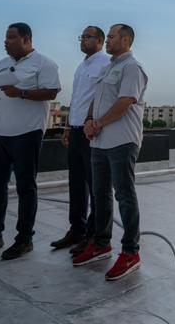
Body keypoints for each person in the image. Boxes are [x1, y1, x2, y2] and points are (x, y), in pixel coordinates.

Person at [0, 22, 61, 260]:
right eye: (5, 37)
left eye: (11, 37)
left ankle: (24, 239)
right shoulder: (2, 64)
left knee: (25, 187)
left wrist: (21, 92)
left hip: (27, 132)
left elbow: (51, 92)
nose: (6, 42)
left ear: (26, 40)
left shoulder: (44, 64)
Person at [71, 24, 148, 281]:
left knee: (124, 196)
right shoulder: (108, 68)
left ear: (125, 41)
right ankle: (101, 244)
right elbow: (96, 98)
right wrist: (89, 120)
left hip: (122, 140)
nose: (108, 41)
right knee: (100, 194)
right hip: (99, 142)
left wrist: (99, 123)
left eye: (112, 37)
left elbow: (125, 101)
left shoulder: (132, 68)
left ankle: (130, 253)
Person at [50, 26, 111, 252]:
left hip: (91, 132)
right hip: (76, 130)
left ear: (100, 40)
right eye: (81, 37)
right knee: (76, 183)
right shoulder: (81, 66)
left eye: (88, 37)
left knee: (96, 186)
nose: (83, 40)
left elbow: (103, 98)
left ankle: (94, 235)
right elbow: (77, 99)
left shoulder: (105, 64)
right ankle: (77, 229)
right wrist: (68, 126)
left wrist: (94, 123)